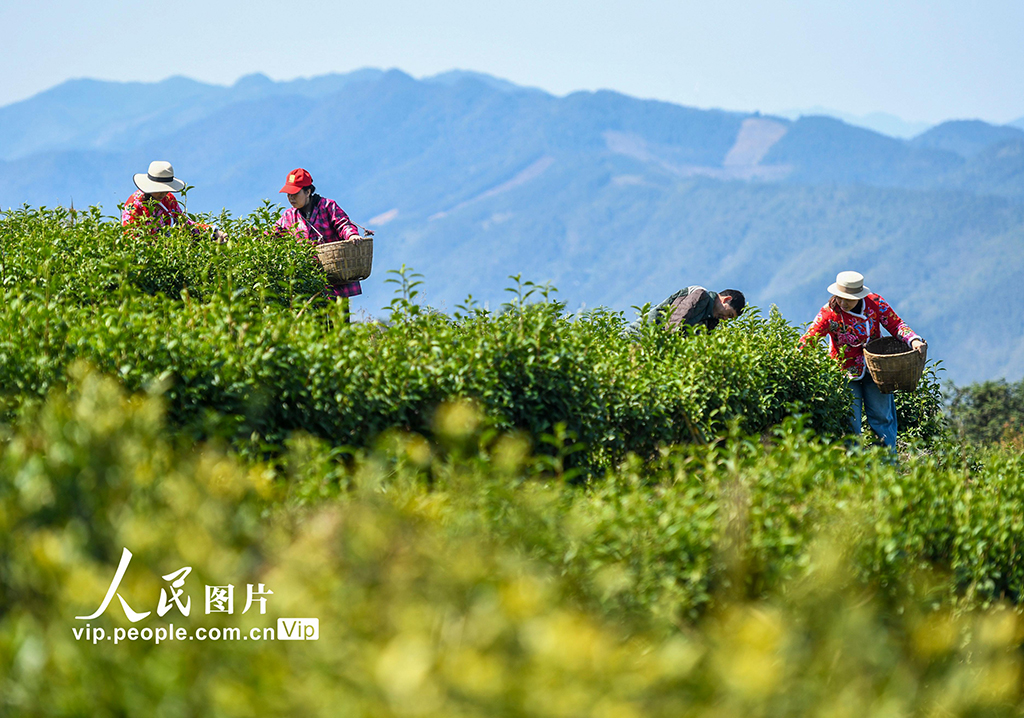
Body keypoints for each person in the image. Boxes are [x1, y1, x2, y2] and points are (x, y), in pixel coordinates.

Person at [800, 271, 927, 449]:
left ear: (859, 297)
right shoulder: (829, 313)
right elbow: (809, 339)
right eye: (840, 297)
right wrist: (795, 360)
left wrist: (913, 339)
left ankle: (886, 464)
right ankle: (854, 465)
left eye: (848, 299)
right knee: (850, 422)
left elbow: (895, 324)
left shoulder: (875, 303)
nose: (843, 303)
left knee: (882, 418)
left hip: (877, 369)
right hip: (844, 372)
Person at [274, 168, 363, 317]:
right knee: (318, 328)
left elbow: (343, 224)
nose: (291, 198)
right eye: (288, 194)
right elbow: (273, 234)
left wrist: (352, 236)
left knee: (340, 325)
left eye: (295, 193)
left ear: (308, 192)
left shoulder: (328, 207)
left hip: (335, 278)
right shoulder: (289, 216)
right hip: (310, 282)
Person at [121, 160, 223, 239]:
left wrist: (213, 232)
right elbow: (130, 239)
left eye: (166, 189)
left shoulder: (169, 199)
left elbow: (184, 224)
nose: (163, 193)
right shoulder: (134, 206)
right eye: (159, 189)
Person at [643, 286, 746, 331]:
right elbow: (674, 323)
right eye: (729, 314)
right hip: (641, 337)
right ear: (726, 299)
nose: (725, 319)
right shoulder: (700, 295)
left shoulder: (709, 321)